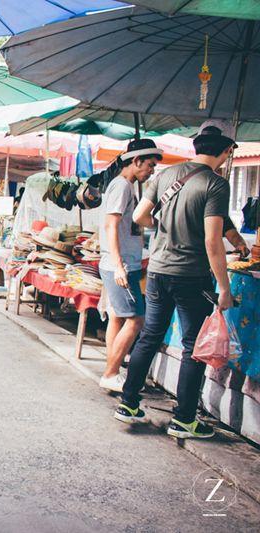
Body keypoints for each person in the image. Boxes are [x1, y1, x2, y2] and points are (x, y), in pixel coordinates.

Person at [116, 120, 237, 439]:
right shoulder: (216, 184)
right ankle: (184, 419)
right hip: (191, 275)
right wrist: (224, 288)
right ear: (225, 151)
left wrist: (166, 228)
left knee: (150, 336)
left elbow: (140, 216)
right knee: (192, 346)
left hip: (157, 270)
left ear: (196, 147)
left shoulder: (166, 174)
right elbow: (213, 241)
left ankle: (128, 403)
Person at [98, 139, 164, 393]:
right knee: (137, 319)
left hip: (125, 262)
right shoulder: (122, 186)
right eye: (149, 165)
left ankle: (111, 370)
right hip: (120, 264)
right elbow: (111, 225)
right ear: (136, 161)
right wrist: (118, 265)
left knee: (117, 317)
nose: (151, 170)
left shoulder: (130, 187)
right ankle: (111, 372)